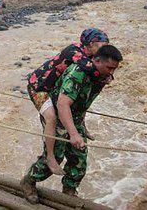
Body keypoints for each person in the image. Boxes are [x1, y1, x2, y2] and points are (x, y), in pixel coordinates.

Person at [21, 45, 123, 203]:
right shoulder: (78, 72)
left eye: (114, 69)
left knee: (79, 158)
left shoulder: (102, 76)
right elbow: (63, 104)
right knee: (55, 156)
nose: (111, 73)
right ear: (96, 60)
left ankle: (69, 190)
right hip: (58, 114)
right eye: (109, 67)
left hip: (75, 117)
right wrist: (74, 134)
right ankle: (29, 181)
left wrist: (81, 127)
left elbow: (84, 100)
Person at [26, 28, 110, 176]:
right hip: (38, 86)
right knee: (51, 117)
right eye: (102, 46)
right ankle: (50, 158)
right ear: (90, 44)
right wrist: (105, 71)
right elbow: (90, 68)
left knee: (78, 100)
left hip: (51, 86)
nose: (105, 49)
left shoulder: (90, 54)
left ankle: (82, 126)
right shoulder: (75, 51)